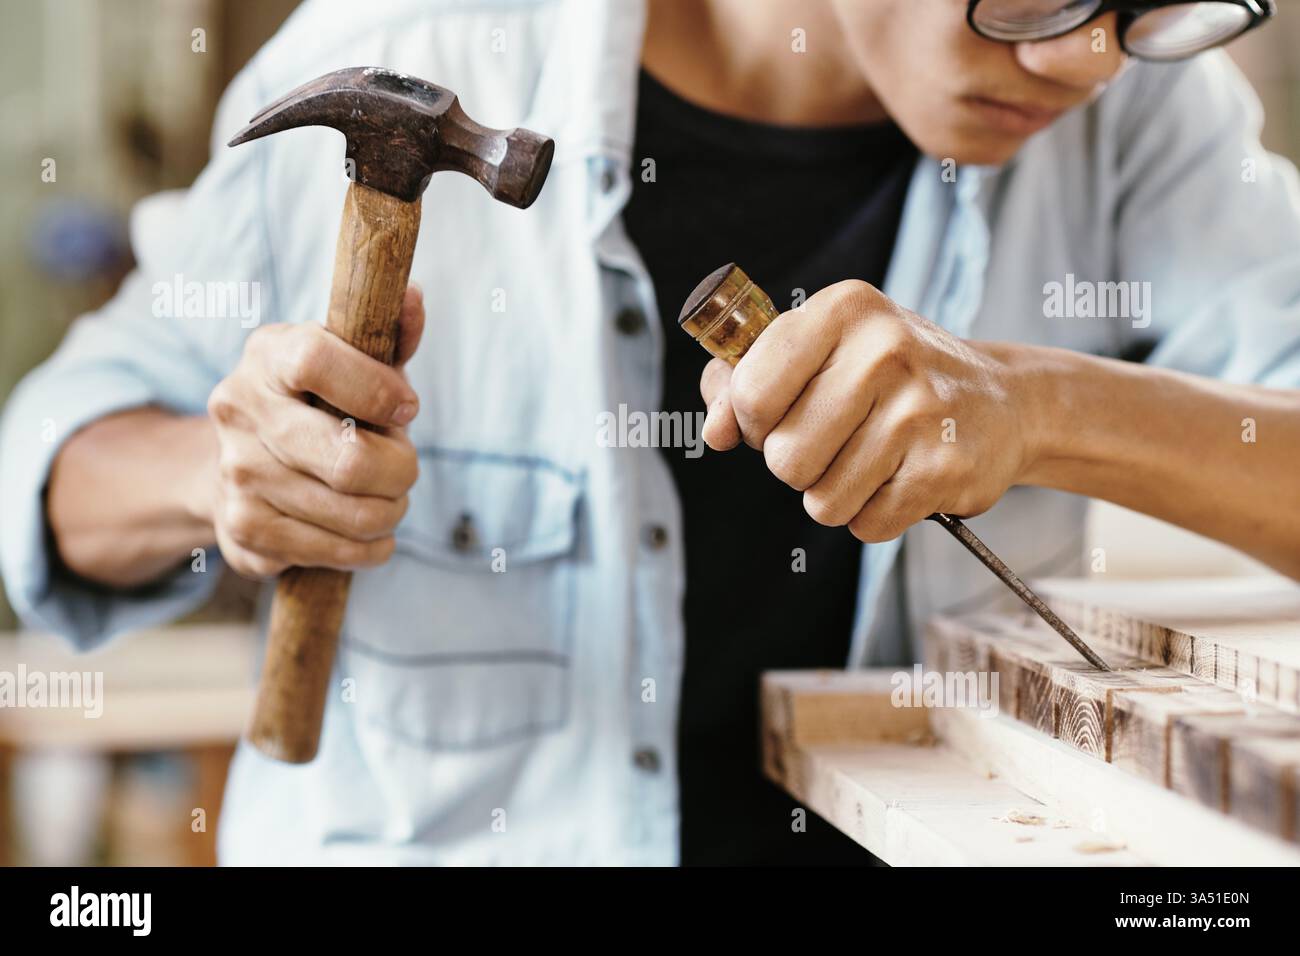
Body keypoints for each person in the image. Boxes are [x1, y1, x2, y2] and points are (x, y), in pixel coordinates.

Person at [1, 0, 1295, 865]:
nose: (1088, 58)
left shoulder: (1135, 121)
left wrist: (1051, 405)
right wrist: (213, 474)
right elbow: (49, 469)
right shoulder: (419, 36)